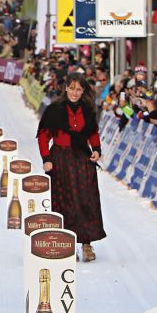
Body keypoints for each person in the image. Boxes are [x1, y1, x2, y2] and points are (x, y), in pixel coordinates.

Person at [37, 72, 106, 262]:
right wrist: (46, 158)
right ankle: (67, 244)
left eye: (79, 89)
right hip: (61, 159)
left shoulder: (87, 109)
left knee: (87, 199)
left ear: (83, 91)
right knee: (64, 201)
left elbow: (93, 133)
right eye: (72, 88)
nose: (75, 92)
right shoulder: (54, 110)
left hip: (82, 159)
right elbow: (44, 136)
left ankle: (86, 244)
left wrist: (97, 150)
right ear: (66, 87)